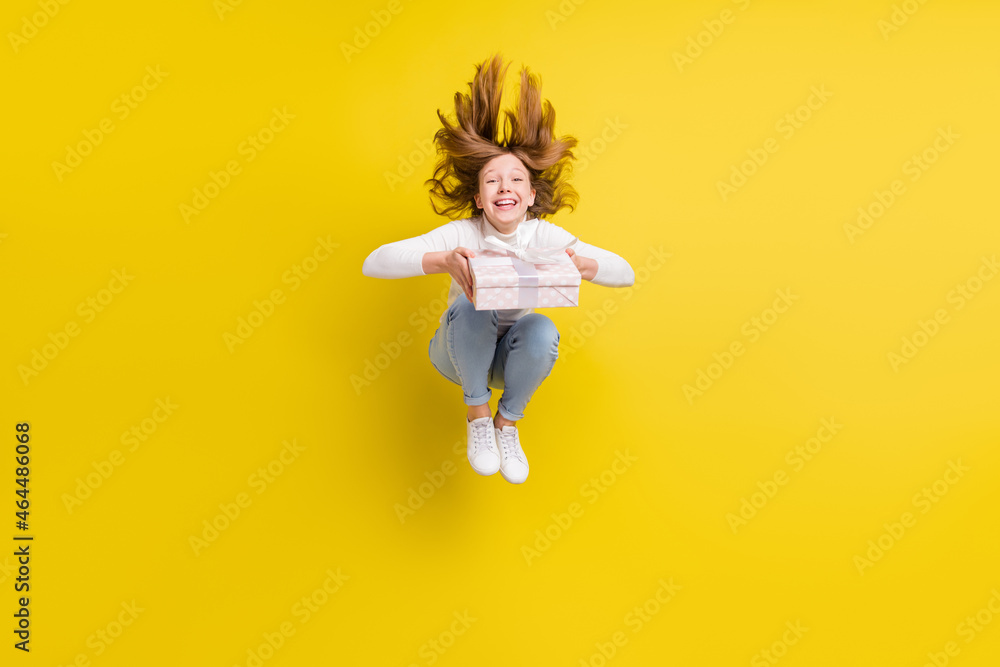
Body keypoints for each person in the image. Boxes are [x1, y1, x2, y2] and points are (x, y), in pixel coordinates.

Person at [362, 54, 634, 484]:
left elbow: (627, 272)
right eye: (492, 181)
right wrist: (443, 262)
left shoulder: (542, 235)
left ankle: (506, 424)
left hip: (510, 362)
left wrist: (585, 265)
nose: (504, 186)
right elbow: (373, 263)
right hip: (457, 353)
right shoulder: (462, 234)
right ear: (478, 198)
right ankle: (478, 415)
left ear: (530, 197)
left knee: (543, 328)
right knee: (475, 307)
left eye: (516, 180)